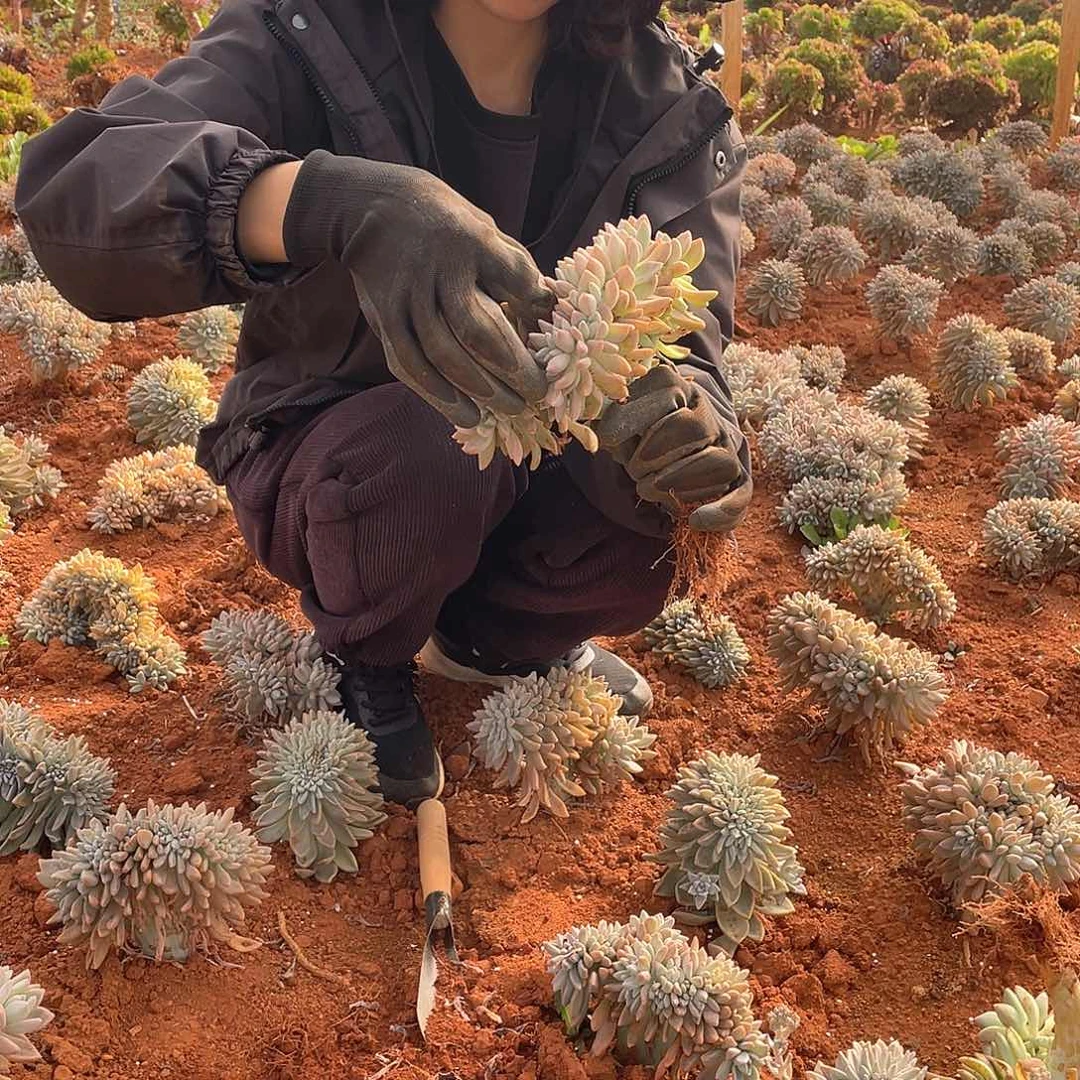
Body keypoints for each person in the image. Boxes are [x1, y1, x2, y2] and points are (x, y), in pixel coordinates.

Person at [15, 0, 752, 807]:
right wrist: (326, 204)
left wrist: (693, 430)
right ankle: (367, 650)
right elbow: (80, 186)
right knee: (433, 444)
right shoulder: (308, 30)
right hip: (348, 456)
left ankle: (491, 643)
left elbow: (693, 332)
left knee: (649, 520)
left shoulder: (667, 102)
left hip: (536, 463)